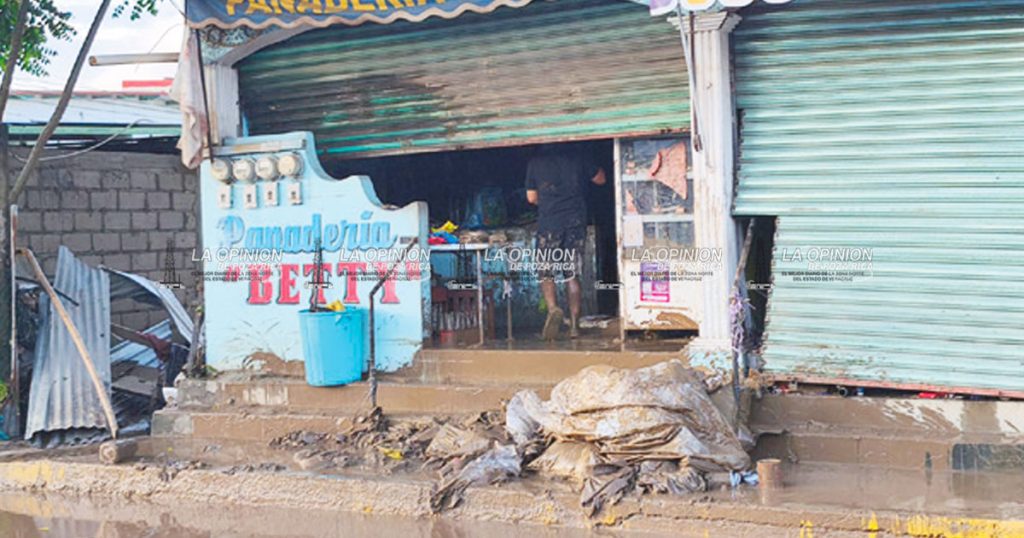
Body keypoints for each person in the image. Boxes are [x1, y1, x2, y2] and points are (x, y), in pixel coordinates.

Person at [525, 145, 606, 340]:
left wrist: (548, 201)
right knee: (572, 275)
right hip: (575, 222)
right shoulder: (579, 156)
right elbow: (601, 179)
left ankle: (553, 309)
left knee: (547, 272)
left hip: (549, 224)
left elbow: (531, 197)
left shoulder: (535, 163)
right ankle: (575, 326)